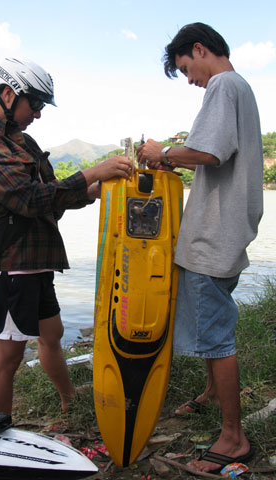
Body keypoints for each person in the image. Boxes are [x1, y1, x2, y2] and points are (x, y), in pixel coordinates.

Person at [0, 57, 132, 417]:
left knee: (52, 334)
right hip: (9, 267)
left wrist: (92, 191)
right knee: (7, 356)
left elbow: (51, 198)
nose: (37, 113)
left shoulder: (25, 143)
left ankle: (69, 398)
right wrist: (89, 173)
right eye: (34, 103)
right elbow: (26, 199)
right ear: (8, 94)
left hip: (37, 263)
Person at [137, 23, 263, 474]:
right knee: (212, 323)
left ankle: (234, 438)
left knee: (216, 335)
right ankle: (211, 394)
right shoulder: (241, 88)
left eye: (186, 69)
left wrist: (163, 151)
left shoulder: (224, 85)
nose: (190, 80)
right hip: (225, 231)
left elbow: (210, 153)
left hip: (215, 235)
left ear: (199, 49)